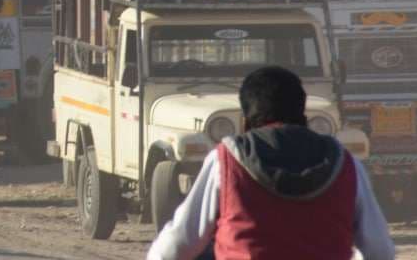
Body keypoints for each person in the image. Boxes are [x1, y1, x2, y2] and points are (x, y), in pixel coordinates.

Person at [148, 66, 395, 260]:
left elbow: (176, 247)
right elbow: (380, 251)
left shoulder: (226, 160)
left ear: (245, 123)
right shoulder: (346, 163)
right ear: (304, 118)